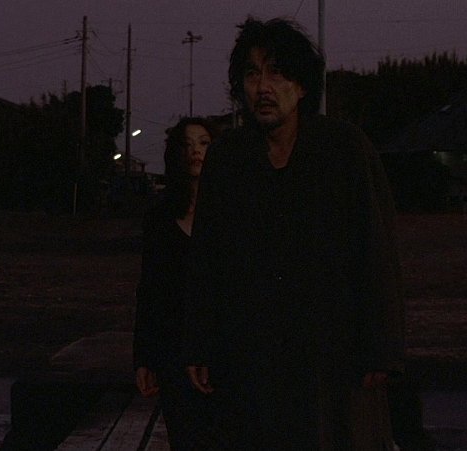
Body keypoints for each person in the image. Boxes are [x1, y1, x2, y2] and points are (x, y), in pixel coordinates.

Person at [182, 17, 405, 450]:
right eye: (252, 74)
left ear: (301, 86)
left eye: (277, 73)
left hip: (331, 352)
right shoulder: (228, 158)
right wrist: (199, 342)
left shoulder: (344, 149)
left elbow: (376, 249)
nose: (263, 87)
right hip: (251, 352)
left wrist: (382, 347)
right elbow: (206, 258)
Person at [132, 117, 219, 450]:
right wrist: (144, 358)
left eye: (204, 143)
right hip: (173, 351)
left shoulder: (231, 213)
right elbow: (149, 290)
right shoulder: (160, 218)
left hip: (222, 350)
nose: (195, 151)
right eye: (187, 144)